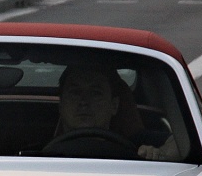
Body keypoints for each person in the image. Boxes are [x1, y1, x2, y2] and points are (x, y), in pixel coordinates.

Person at [45, 65, 177, 161]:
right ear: (61, 104)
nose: (84, 101)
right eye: (75, 92)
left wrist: (160, 154)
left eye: (95, 93)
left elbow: (183, 143)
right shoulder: (38, 145)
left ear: (114, 105)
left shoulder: (137, 143)